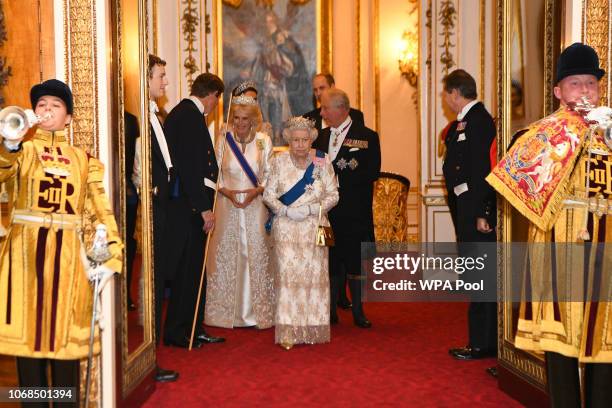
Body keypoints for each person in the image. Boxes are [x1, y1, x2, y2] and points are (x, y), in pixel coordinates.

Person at [487, 42, 612, 407]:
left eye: (591, 83)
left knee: (604, 340)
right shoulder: (544, 133)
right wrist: (570, 139)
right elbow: (516, 186)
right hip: (562, 249)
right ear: (558, 91)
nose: (585, 90)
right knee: (562, 345)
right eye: (576, 83)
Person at [0, 79, 122, 404]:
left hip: (67, 262)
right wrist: (10, 143)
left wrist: (109, 253)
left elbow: (98, 207)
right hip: (24, 261)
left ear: (69, 116)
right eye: (41, 105)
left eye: (55, 105)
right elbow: (2, 171)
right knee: (28, 347)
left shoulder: (85, 160)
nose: (47, 110)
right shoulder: (19, 152)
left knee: (66, 344)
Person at [263, 116, 339, 349]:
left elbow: (333, 195)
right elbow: (268, 195)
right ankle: (288, 331)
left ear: (311, 140)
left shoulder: (321, 161)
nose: (300, 145)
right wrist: (284, 210)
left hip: (315, 226)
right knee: (288, 279)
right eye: (295, 140)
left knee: (315, 279)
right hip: (286, 229)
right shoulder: (278, 161)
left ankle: (314, 329)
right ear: (288, 140)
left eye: (305, 140)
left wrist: (311, 209)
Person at [162, 72, 226, 348]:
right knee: (188, 272)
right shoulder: (188, 115)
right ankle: (180, 331)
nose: (215, 105)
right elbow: (189, 168)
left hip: (190, 207)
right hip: (189, 210)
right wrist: (203, 208)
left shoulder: (187, 113)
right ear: (212, 95)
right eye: (216, 99)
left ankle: (193, 327)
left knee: (194, 271)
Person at [441, 69, 497, 361]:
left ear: (454, 93)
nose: (445, 99)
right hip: (466, 209)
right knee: (475, 276)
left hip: (477, 213)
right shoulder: (465, 122)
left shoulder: (479, 121)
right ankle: (483, 341)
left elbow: (484, 171)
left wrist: (483, 211)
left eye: (445, 93)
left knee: (481, 277)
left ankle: (482, 344)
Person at [205, 95, 274, 329]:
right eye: (236, 117)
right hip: (228, 205)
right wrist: (227, 192)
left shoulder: (264, 141)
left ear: (253, 119)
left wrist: (256, 192)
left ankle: (257, 314)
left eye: (245, 118)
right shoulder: (223, 140)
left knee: (254, 255)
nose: (240, 123)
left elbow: (268, 174)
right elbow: (216, 175)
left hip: (255, 207)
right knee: (227, 255)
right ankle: (224, 313)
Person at [313, 88, 381, 328]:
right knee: (329, 260)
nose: (321, 112)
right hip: (326, 215)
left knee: (354, 262)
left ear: (341, 109)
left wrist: (338, 181)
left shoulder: (367, 137)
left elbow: (371, 172)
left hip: (354, 213)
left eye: (325, 108)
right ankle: (330, 311)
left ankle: (358, 312)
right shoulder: (320, 137)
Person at [142, 54, 178, 381]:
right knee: (151, 282)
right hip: (151, 207)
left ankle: (151, 359)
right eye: (161, 76)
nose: (165, 82)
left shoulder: (157, 115)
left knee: (158, 278)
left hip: (164, 206)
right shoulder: (139, 117)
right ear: (146, 77)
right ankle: (146, 362)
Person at [251, 10, 310, 145]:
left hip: (277, 76)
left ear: (275, 21)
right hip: (267, 76)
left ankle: (277, 134)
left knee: (277, 104)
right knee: (264, 102)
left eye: (271, 21)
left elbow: (291, 56)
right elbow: (261, 58)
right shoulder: (266, 38)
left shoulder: (282, 36)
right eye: (266, 21)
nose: (268, 24)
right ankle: (267, 132)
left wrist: (281, 47)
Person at [124, 110, 139, 311]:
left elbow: (136, 157)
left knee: (127, 243)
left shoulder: (130, 120)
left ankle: (125, 293)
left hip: (128, 192)